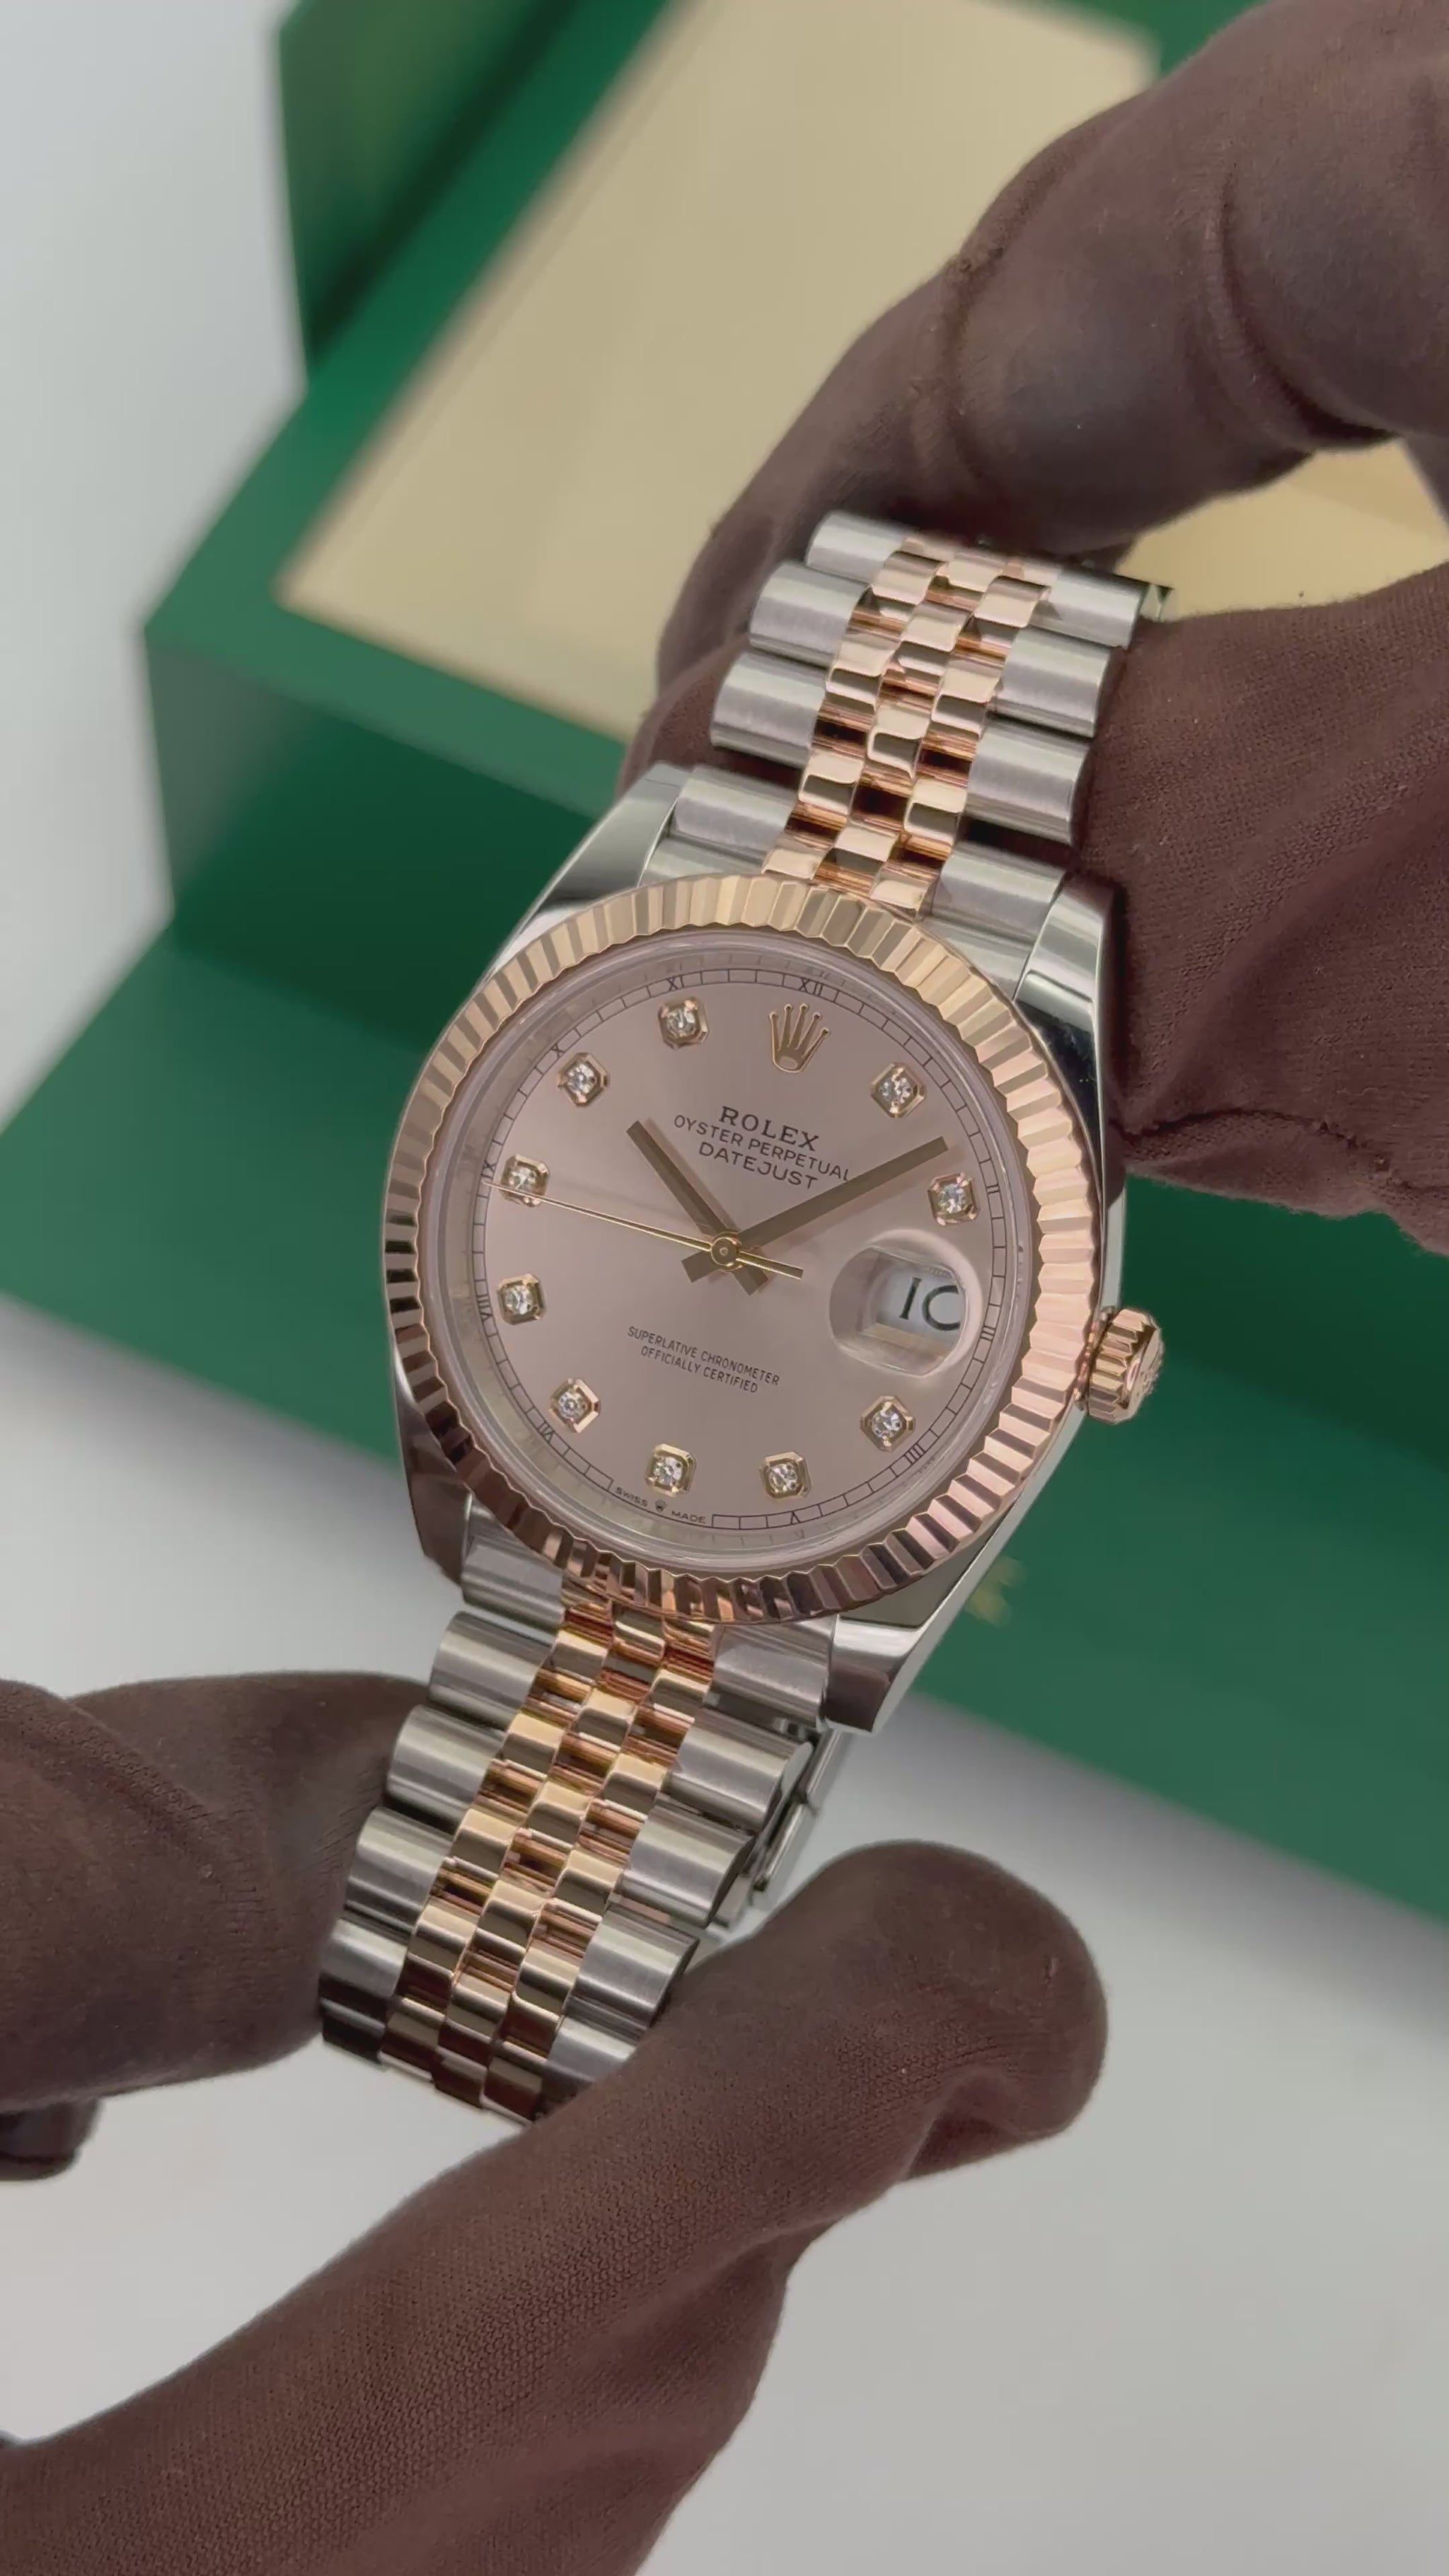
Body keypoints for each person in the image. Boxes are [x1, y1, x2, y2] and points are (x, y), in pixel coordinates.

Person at [3, 0, 1445, 2565]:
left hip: (722, 1441)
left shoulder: (1008, 1067)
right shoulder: (574, 1071)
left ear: (1079, 1353)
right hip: (596, 1449)